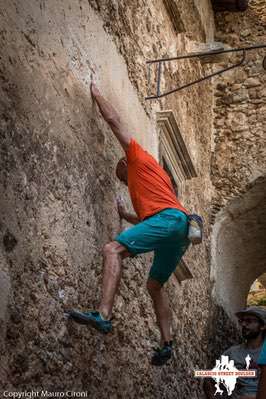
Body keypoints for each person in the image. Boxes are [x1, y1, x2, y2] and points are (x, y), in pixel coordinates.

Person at [68, 83, 192, 366]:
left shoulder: (137, 158)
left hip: (170, 222)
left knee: (112, 250)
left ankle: (103, 314)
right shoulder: (154, 182)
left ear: (125, 163)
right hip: (179, 229)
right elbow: (154, 218)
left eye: (120, 174)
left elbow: (114, 122)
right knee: (154, 285)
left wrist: (98, 93)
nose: (122, 180)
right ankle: (166, 342)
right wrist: (126, 216)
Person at [203, 306, 266, 399]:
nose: (244, 324)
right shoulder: (232, 353)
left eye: (249, 321)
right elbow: (209, 381)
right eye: (242, 321)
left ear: (263, 326)